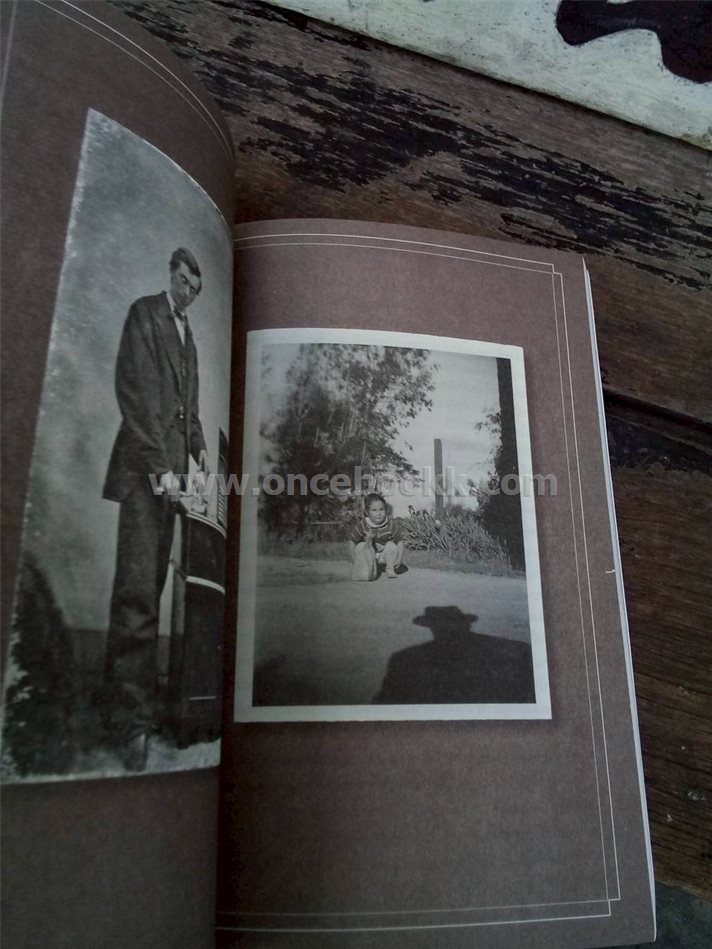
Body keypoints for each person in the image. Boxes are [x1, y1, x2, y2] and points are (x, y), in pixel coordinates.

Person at [102, 248, 209, 770]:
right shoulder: (144, 314)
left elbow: (190, 413)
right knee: (137, 596)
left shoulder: (191, 340)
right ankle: (129, 726)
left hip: (174, 483)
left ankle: (129, 710)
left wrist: (200, 452)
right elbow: (135, 396)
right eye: (184, 280)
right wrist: (160, 469)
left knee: (155, 592)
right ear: (171, 274)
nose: (187, 291)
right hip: (146, 475)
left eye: (195, 288)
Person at [348, 493, 405, 580]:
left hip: (384, 556)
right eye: (374, 510)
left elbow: (400, 541)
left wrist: (400, 558)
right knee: (360, 546)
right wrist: (355, 560)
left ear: (385, 510)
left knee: (392, 547)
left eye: (381, 509)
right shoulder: (363, 524)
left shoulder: (390, 524)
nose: (378, 513)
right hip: (368, 556)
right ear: (367, 512)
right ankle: (366, 569)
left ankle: (390, 568)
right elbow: (352, 542)